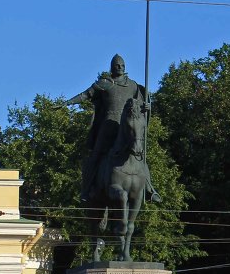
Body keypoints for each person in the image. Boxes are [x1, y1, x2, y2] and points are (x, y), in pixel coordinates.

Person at [67, 54, 161, 204]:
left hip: (127, 125)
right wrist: (68, 102)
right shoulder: (104, 83)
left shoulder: (133, 85)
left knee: (139, 155)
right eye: (117, 65)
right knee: (95, 156)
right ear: (111, 67)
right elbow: (85, 95)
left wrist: (148, 107)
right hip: (107, 126)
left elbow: (140, 106)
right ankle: (87, 189)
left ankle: (149, 189)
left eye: (122, 65)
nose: (119, 67)